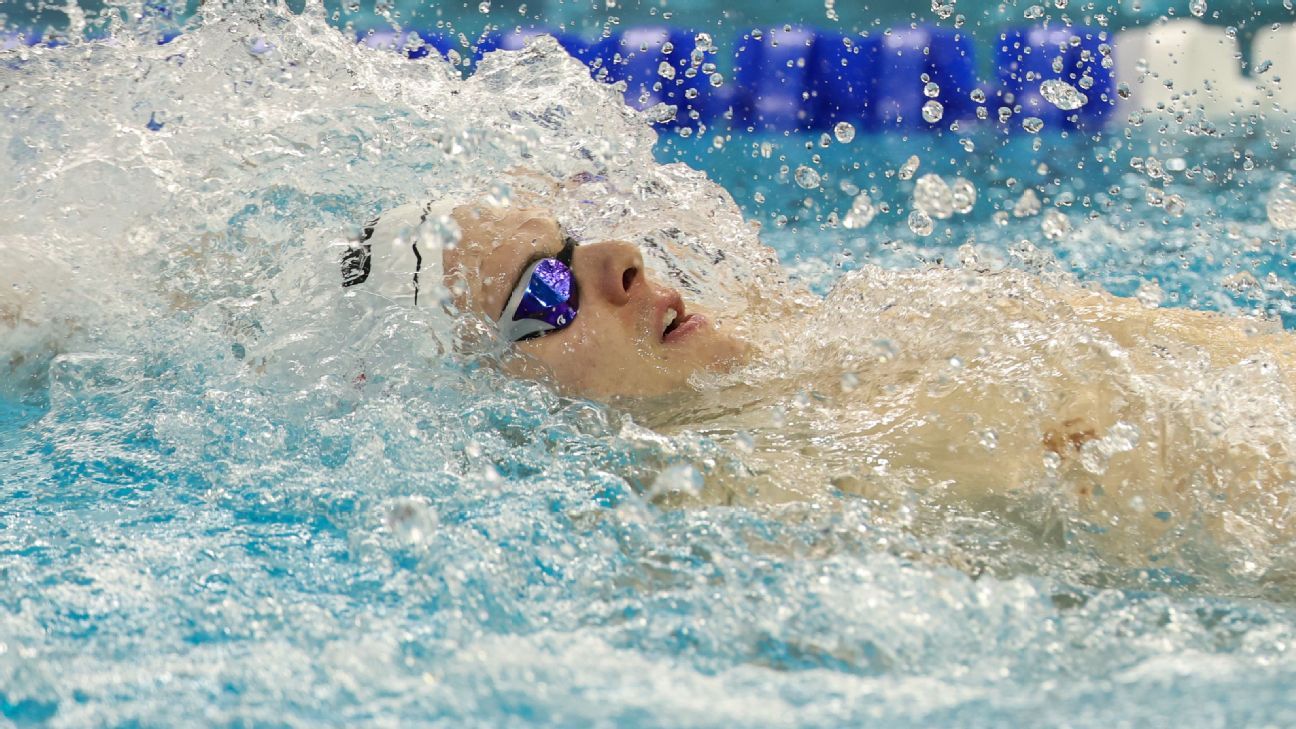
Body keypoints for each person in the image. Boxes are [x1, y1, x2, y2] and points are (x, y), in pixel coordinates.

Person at [343, 193, 1296, 565]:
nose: (619, 258)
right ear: (478, 403)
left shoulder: (871, 314)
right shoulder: (722, 529)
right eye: (545, 287)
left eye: (573, 242)